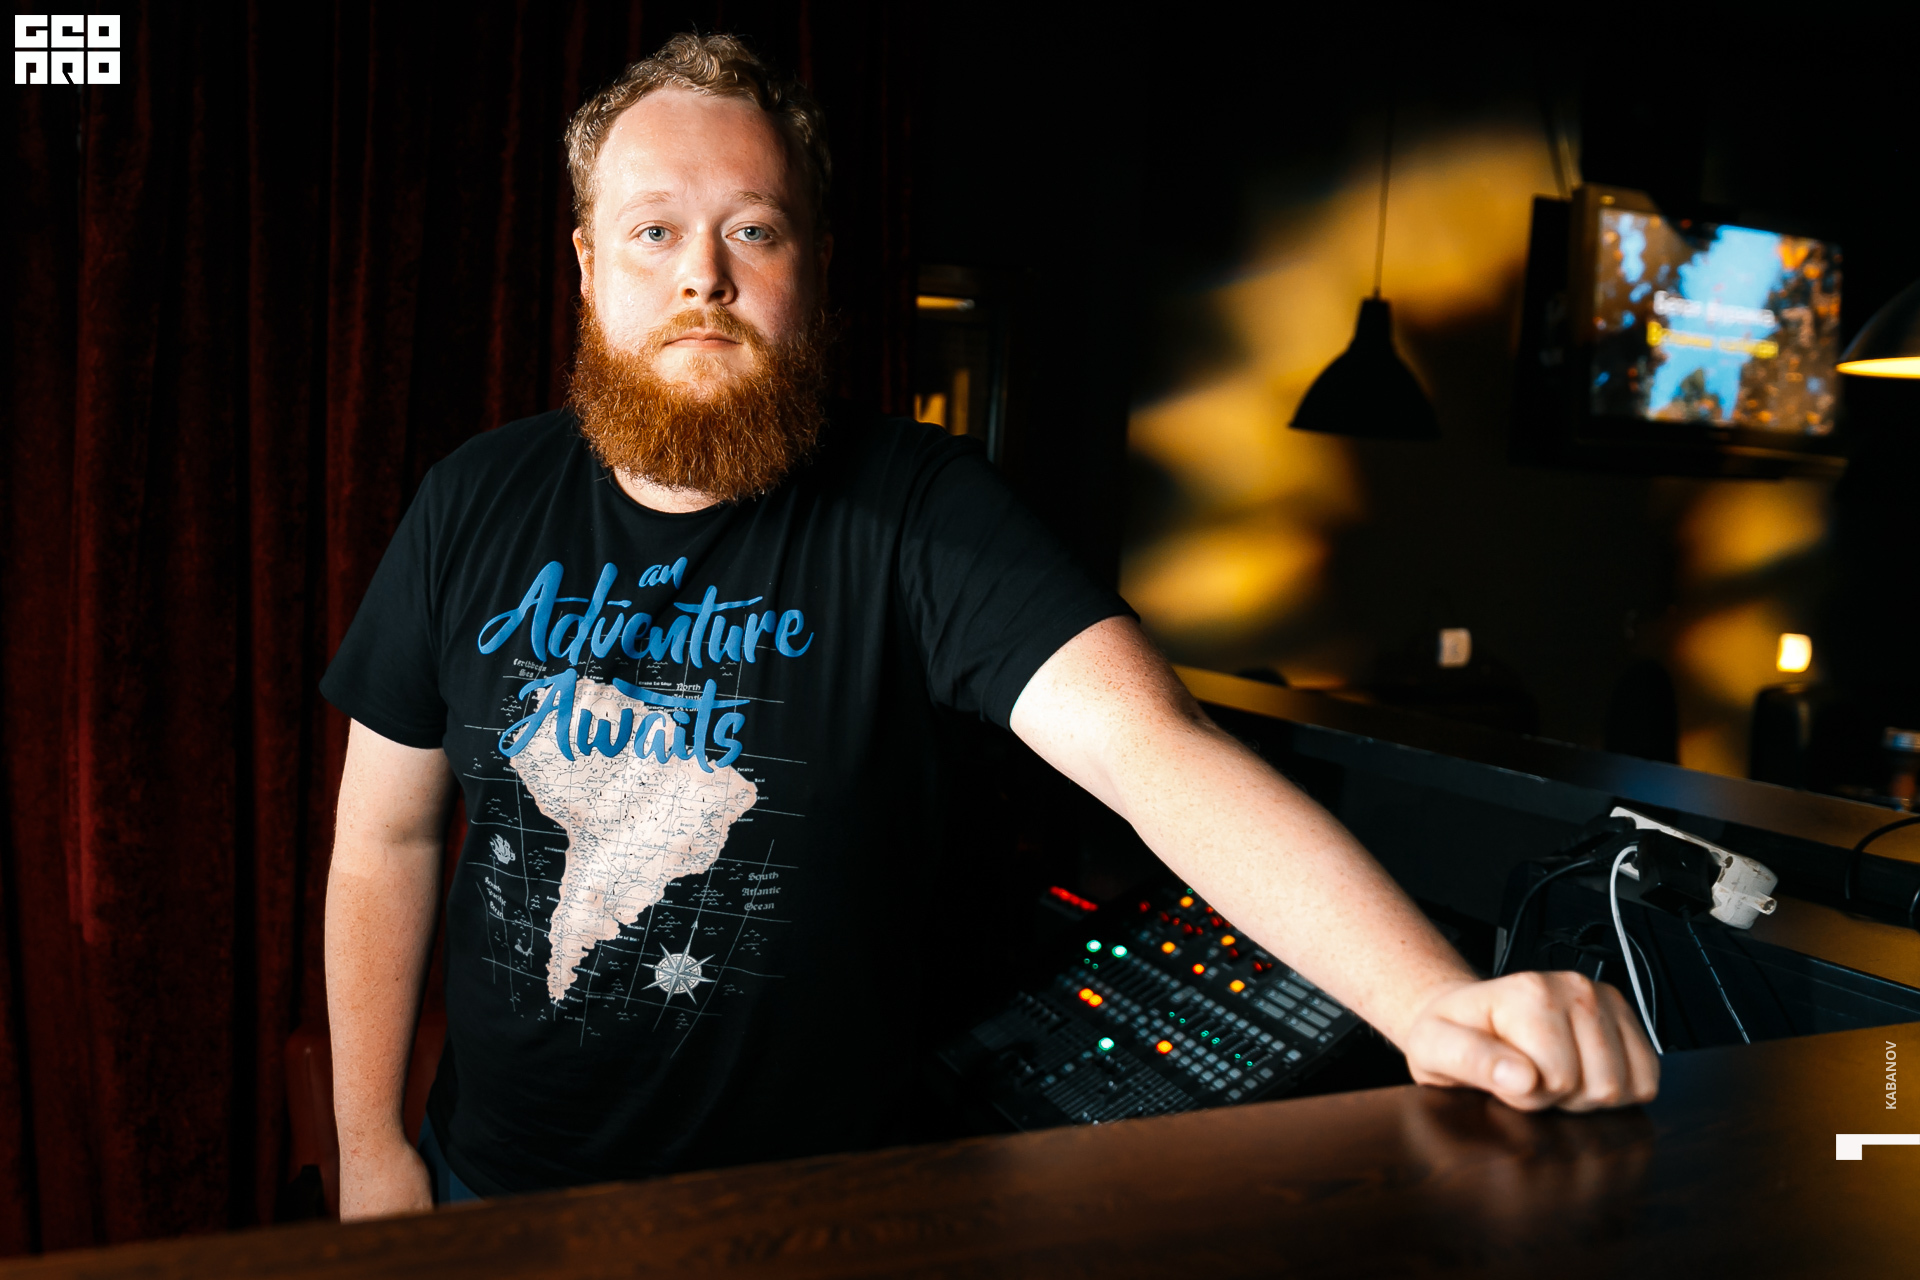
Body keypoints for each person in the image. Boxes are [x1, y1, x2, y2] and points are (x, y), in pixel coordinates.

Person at [321, 32, 1658, 1221]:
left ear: (813, 267)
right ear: (586, 264)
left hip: (812, 1221)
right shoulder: (472, 500)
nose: (704, 280)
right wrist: (372, 1148)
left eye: (755, 231)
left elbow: (1154, 752)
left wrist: (1432, 1001)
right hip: (491, 1197)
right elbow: (386, 838)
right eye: (654, 231)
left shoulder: (921, 509)